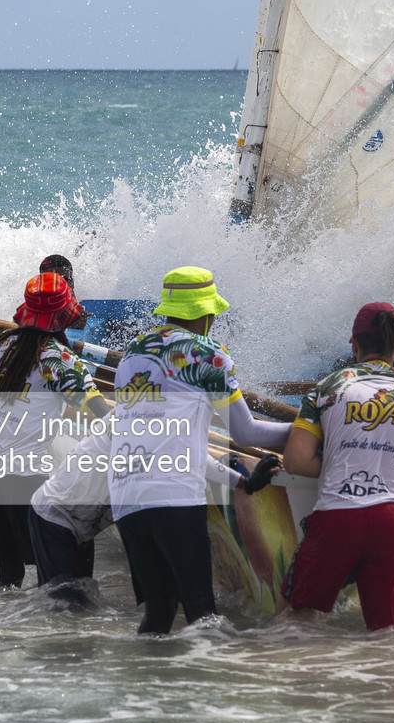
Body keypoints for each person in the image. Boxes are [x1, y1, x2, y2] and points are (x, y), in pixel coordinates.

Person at [108, 266, 292, 634]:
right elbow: (246, 430)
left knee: (159, 614)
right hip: (174, 500)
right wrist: (309, 428)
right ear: (206, 315)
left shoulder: (132, 354)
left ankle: (140, 687)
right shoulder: (210, 355)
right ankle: (204, 690)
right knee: (203, 617)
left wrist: (241, 482)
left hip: (125, 497)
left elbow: (175, 447)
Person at [282, 303, 394, 630]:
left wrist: (342, 464)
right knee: (391, 636)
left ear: (354, 344)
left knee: (299, 623)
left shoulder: (328, 388)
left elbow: (296, 460)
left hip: (339, 515)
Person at [0, 272, 108, 588]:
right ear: (66, 314)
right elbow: (103, 414)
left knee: (9, 577)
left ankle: (6, 628)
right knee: (63, 571)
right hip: (22, 481)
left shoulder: (2, 343)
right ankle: (56, 629)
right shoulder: (62, 359)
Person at [28, 427, 277, 596]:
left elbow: (191, 454)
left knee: (83, 597)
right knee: (64, 605)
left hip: (81, 526)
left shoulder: (158, 421)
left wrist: (245, 482)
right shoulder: (133, 421)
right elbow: (193, 457)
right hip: (54, 515)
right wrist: (243, 482)